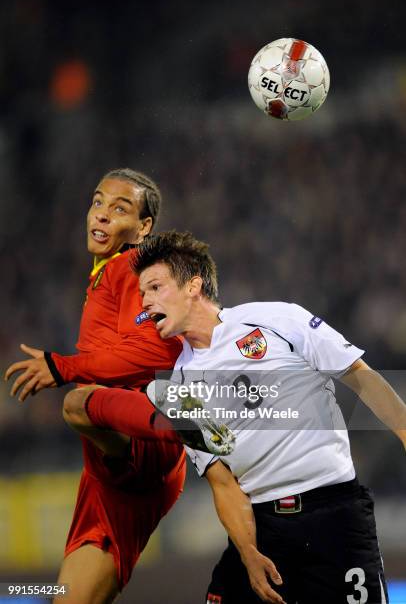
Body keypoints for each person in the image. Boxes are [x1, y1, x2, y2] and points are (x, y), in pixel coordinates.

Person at [37, 229, 405, 603]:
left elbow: (360, 377)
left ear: (193, 286)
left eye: (154, 288)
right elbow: (223, 483)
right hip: (262, 527)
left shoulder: (276, 319)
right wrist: (248, 553)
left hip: (335, 516)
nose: (145, 303)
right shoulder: (174, 390)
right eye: (141, 293)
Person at [5, 171, 186, 604]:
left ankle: (191, 425)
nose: (102, 214)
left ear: (143, 228)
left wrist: (65, 367)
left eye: (120, 208)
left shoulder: (137, 267)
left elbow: (161, 353)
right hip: (104, 475)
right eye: (98, 202)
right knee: (66, 597)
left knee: (77, 402)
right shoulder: (105, 273)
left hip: (142, 447)